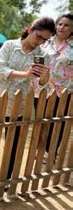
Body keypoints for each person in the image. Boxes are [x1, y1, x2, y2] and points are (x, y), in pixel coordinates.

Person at [0, 17, 54, 180]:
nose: (41, 42)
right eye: (39, 36)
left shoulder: (43, 55)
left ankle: (6, 177)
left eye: (45, 39)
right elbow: (0, 69)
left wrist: (45, 73)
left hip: (19, 103)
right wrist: (26, 74)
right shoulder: (9, 45)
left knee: (13, 142)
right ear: (30, 29)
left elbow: (42, 84)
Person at [42, 12, 72, 159]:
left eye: (66, 25)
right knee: (43, 120)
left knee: (57, 122)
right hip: (42, 88)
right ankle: (40, 148)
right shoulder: (46, 42)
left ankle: (50, 152)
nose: (62, 27)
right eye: (60, 24)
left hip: (65, 91)